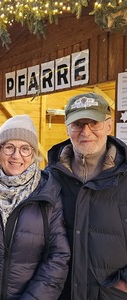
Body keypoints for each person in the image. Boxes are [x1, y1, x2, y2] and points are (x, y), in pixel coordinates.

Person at [0, 114, 70, 299]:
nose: (16, 156)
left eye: (25, 148)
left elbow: (57, 256)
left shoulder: (48, 192)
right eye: (9, 147)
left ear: (33, 153)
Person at [47, 92, 127, 300]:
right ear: (67, 128)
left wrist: (122, 284)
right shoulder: (49, 178)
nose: (86, 132)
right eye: (78, 124)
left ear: (109, 126)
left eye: (94, 123)